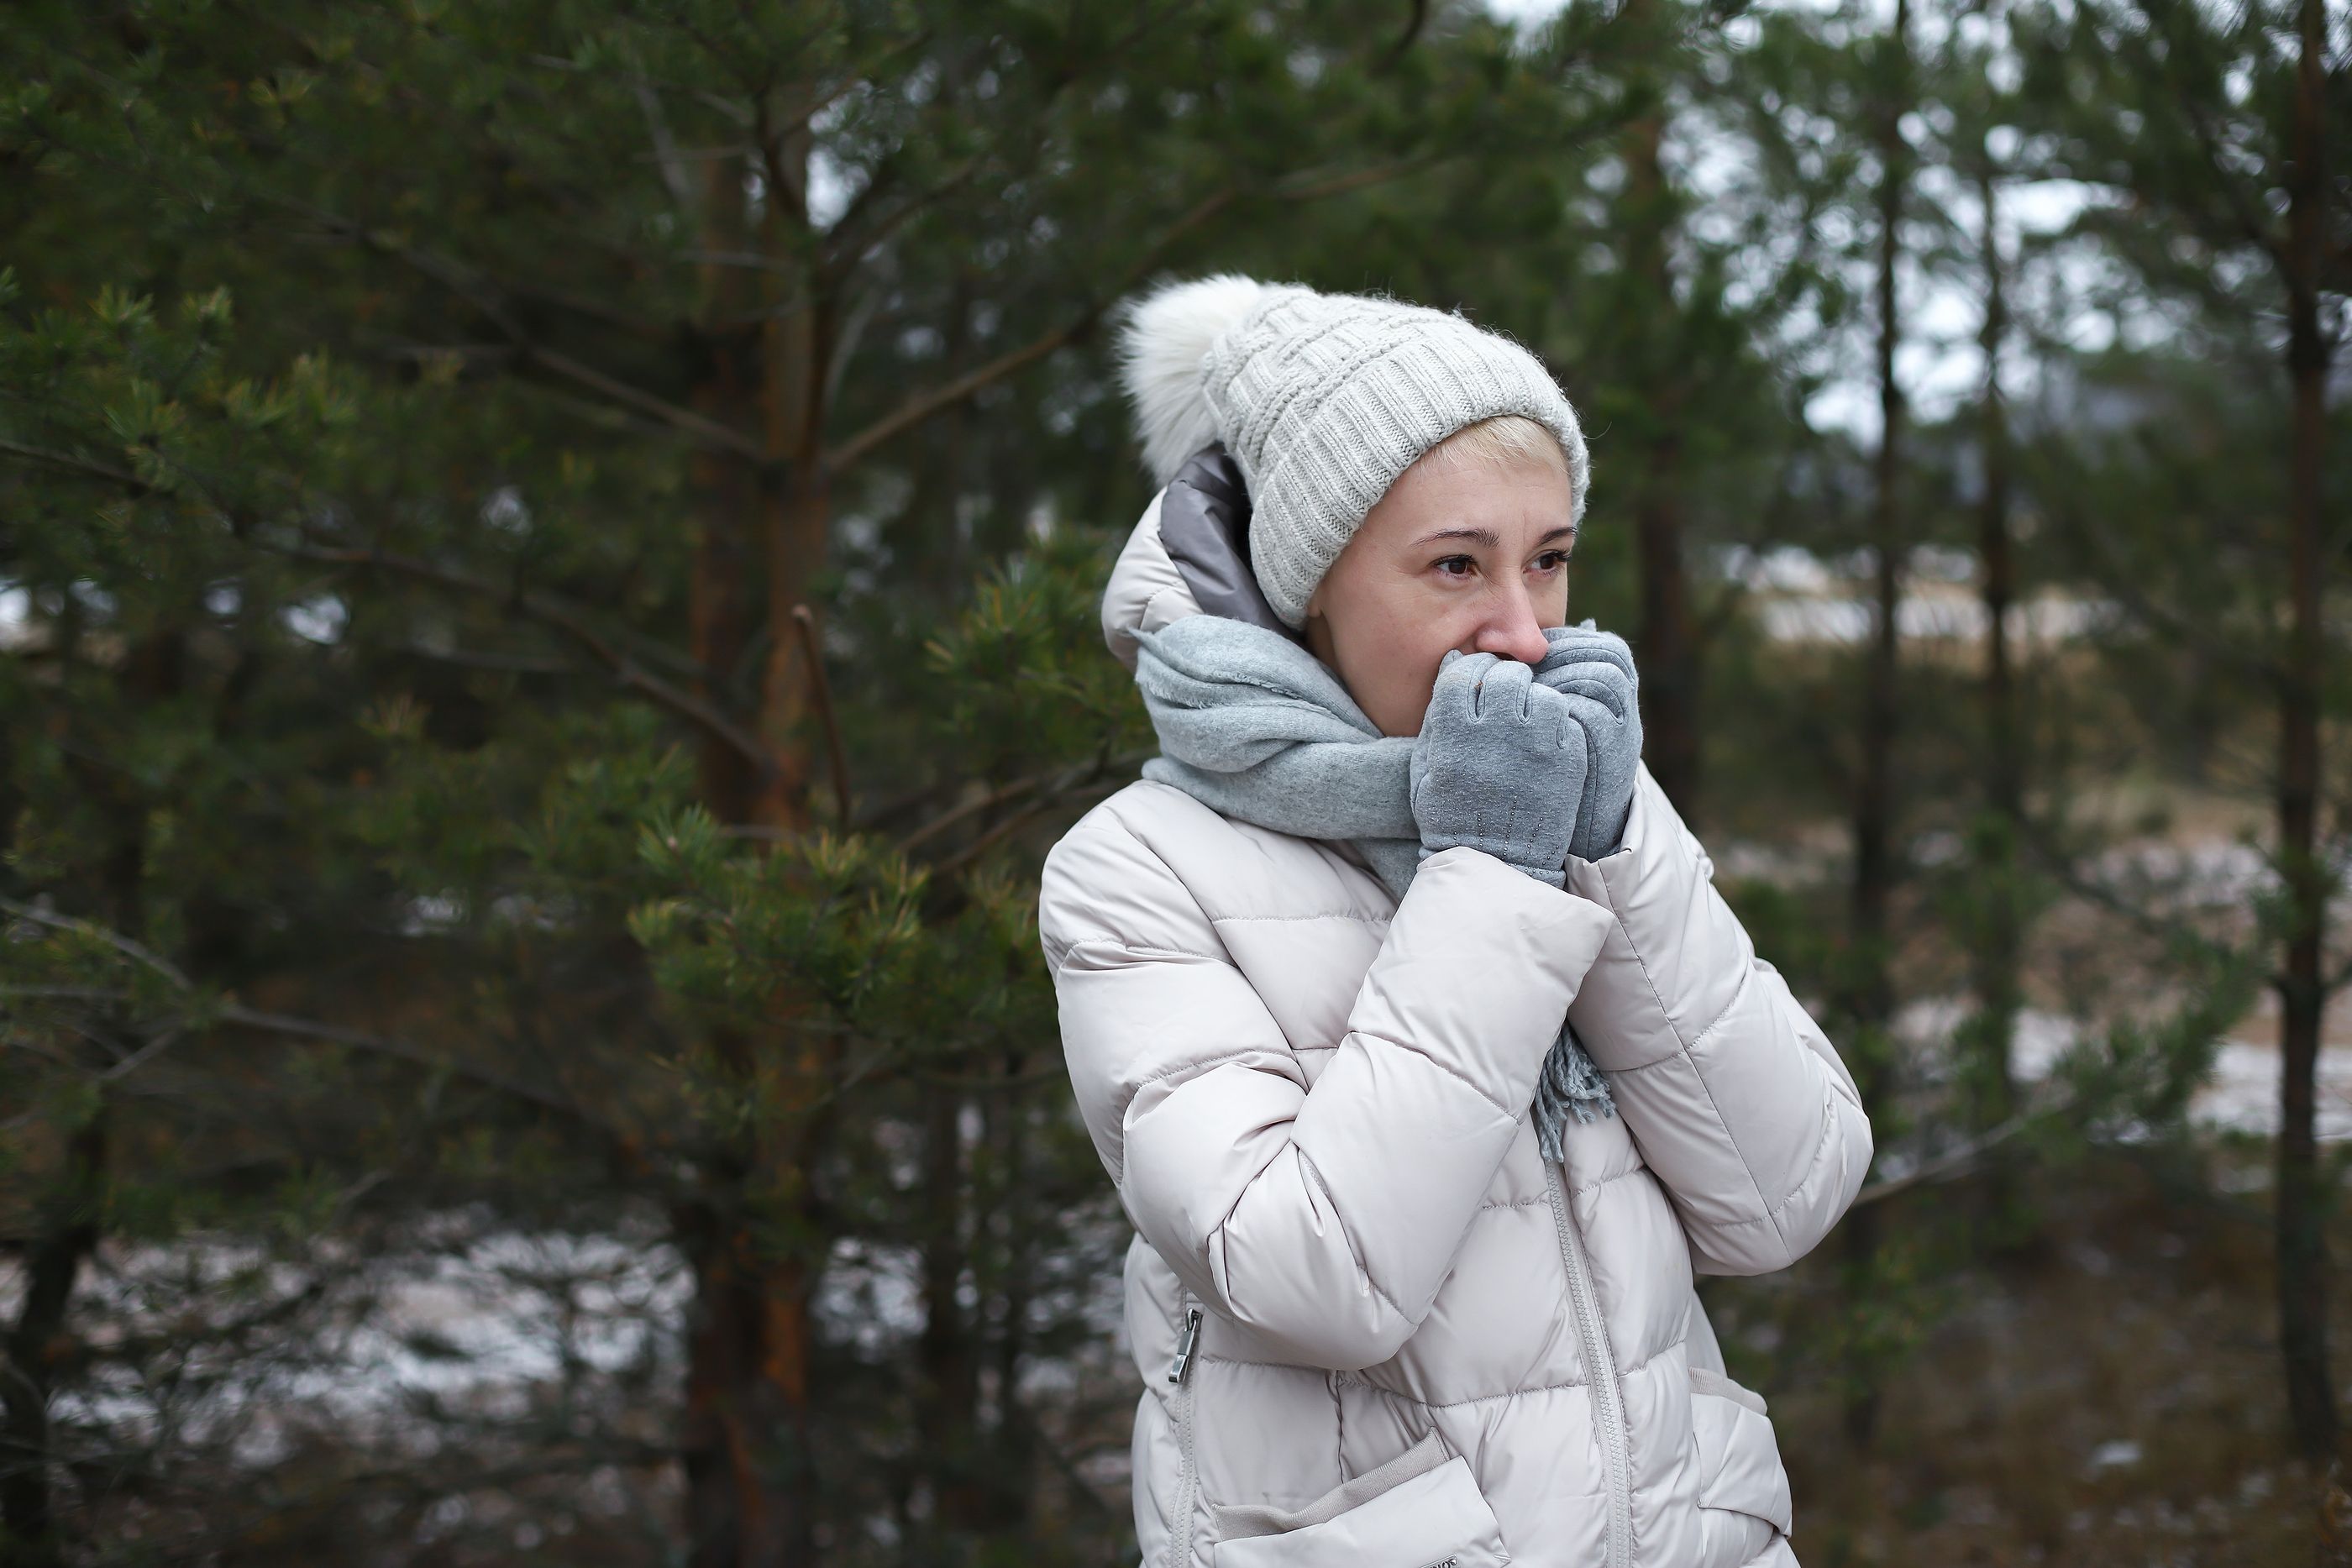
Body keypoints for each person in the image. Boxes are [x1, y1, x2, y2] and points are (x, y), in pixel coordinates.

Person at [1037, 274, 1873, 1568]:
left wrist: (1603, 850)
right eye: (1455, 567)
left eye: (1548, 560)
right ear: (1309, 582)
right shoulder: (1138, 871)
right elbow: (1312, 1277)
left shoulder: (1583, 799)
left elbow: (1786, 1196)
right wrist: (1492, 873)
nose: (1525, 637)